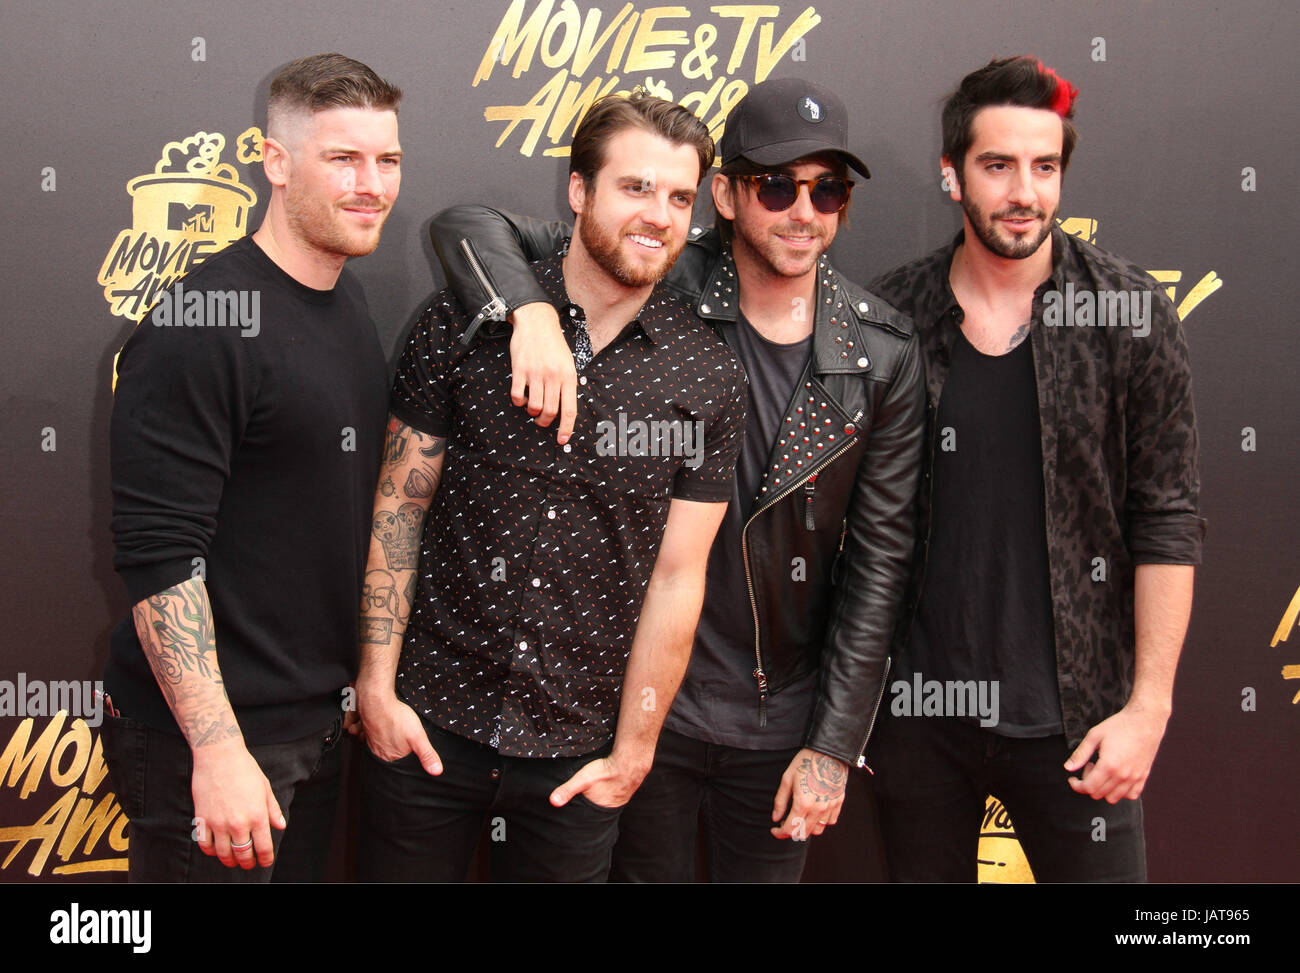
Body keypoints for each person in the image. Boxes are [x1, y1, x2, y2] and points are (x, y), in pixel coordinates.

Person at [427, 78, 924, 881]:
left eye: (827, 189)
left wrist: (834, 744)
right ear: (726, 196)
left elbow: (880, 567)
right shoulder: (658, 272)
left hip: (776, 720)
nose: (804, 210)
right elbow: (465, 226)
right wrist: (533, 311)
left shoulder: (881, 356)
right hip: (639, 704)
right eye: (776, 185)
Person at [354, 91, 747, 883]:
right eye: (635, 188)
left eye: (679, 196)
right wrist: (375, 687)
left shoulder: (707, 375)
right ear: (578, 191)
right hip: (426, 726)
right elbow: (400, 505)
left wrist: (634, 752)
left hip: (575, 761)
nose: (659, 215)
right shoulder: (465, 323)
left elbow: (677, 575)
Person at [866, 55, 1205, 882]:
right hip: (918, 720)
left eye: (1045, 166)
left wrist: (1147, 710)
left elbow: (1168, 517)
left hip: (1082, 723)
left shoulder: (1127, 315)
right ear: (953, 176)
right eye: (998, 165)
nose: (1025, 191)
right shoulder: (889, 319)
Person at [102, 53, 402, 881]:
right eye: (342, 158)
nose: (371, 184)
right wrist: (219, 748)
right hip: (211, 743)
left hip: (309, 722)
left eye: (388, 160)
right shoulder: (202, 323)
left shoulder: (345, 299)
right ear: (274, 162)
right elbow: (160, 556)